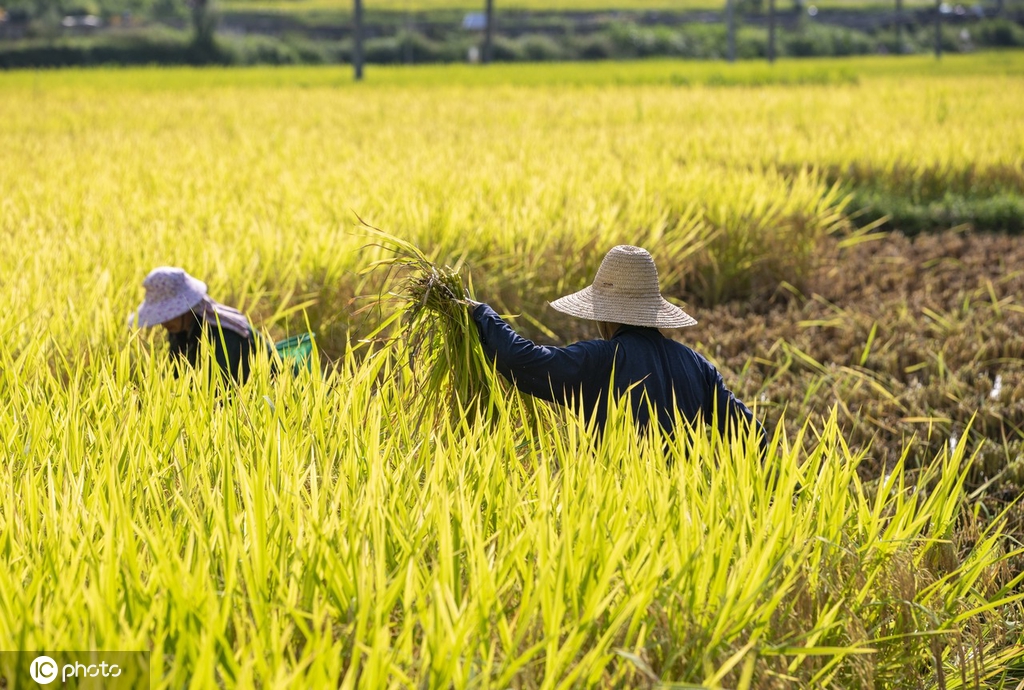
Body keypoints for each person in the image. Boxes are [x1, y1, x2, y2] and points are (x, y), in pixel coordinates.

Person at [470, 245, 767, 452]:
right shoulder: (696, 365)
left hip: (617, 519)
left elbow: (521, 360)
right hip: (682, 514)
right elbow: (752, 435)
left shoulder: (603, 360)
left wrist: (480, 314)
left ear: (604, 314)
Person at [130, 266, 267, 383]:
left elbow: (219, 393)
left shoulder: (221, 335)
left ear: (187, 308)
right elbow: (179, 377)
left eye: (168, 315)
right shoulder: (179, 330)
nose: (164, 322)